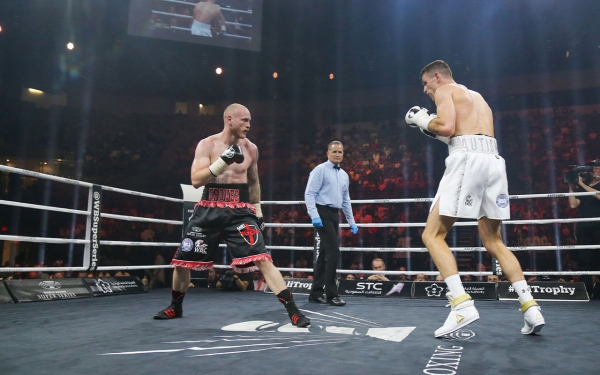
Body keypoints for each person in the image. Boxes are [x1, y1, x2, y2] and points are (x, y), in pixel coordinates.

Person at [404, 60, 544, 337]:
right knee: (494, 241)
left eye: (425, 84)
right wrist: (430, 125)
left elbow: (445, 128)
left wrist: (423, 119)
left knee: (432, 236)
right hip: (493, 160)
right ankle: (530, 307)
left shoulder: (446, 90)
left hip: (467, 161)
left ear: (437, 77)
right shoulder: (479, 98)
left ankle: (461, 305)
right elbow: (462, 135)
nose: (425, 90)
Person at [154, 103, 309, 328]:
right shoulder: (207, 144)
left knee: (263, 260)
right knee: (182, 262)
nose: (248, 125)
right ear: (229, 119)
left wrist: (258, 209)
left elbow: (254, 181)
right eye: (244, 120)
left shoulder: (251, 149)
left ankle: (294, 312)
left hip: (240, 210)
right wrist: (223, 161)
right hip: (208, 208)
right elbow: (196, 180)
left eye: (250, 121)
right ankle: (175, 307)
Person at [305, 140, 359, 306]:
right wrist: (314, 216)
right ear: (328, 153)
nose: (337, 154)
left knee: (324, 254)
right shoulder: (320, 170)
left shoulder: (344, 175)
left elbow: (346, 200)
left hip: (334, 214)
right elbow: (309, 193)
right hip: (322, 212)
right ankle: (331, 294)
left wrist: (351, 221)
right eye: (334, 152)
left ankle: (315, 293)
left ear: (343, 154)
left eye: (340, 152)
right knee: (333, 252)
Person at [567, 160, 600, 296]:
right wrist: (570, 185)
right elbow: (573, 204)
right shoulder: (584, 187)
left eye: (598, 167)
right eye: (594, 168)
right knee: (585, 258)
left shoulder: (586, 186)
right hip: (584, 226)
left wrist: (581, 184)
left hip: (598, 225)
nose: (595, 170)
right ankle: (587, 289)